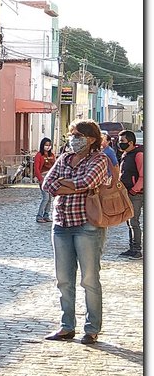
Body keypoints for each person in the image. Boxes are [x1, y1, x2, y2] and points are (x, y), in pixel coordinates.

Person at [41, 120, 110, 345]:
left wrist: (65, 184)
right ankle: (66, 326)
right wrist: (72, 184)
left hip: (87, 225)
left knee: (89, 279)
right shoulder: (64, 158)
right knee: (64, 280)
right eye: (71, 134)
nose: (73, 138)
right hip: (61, 225)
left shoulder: (100, 159)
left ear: (91, 138)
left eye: (78, 134)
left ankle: (91, 329)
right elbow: (47, 184)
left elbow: (88, 181)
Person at [117, 130, 144, 259]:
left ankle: (137, 250)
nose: (119, 144)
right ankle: (131, 248)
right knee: (129, 221)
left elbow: (143, 175)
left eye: (122, 141)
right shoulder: (126, 154)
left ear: (131, 142)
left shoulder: (138, 154)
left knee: (133, 221)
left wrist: (134, 190)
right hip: (127, 192)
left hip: (136, 194)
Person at [33, 137, 56, 223]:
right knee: (45, 198)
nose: (48, 147)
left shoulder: (52, 155)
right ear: (42, 145)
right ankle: (39, 216)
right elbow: (36, 169)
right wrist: (40, 179)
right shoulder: (39, 155)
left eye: (49, 145)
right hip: (43, 178)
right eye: (46, 145)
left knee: (50, 199)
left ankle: (46, 215)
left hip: (51, 179)